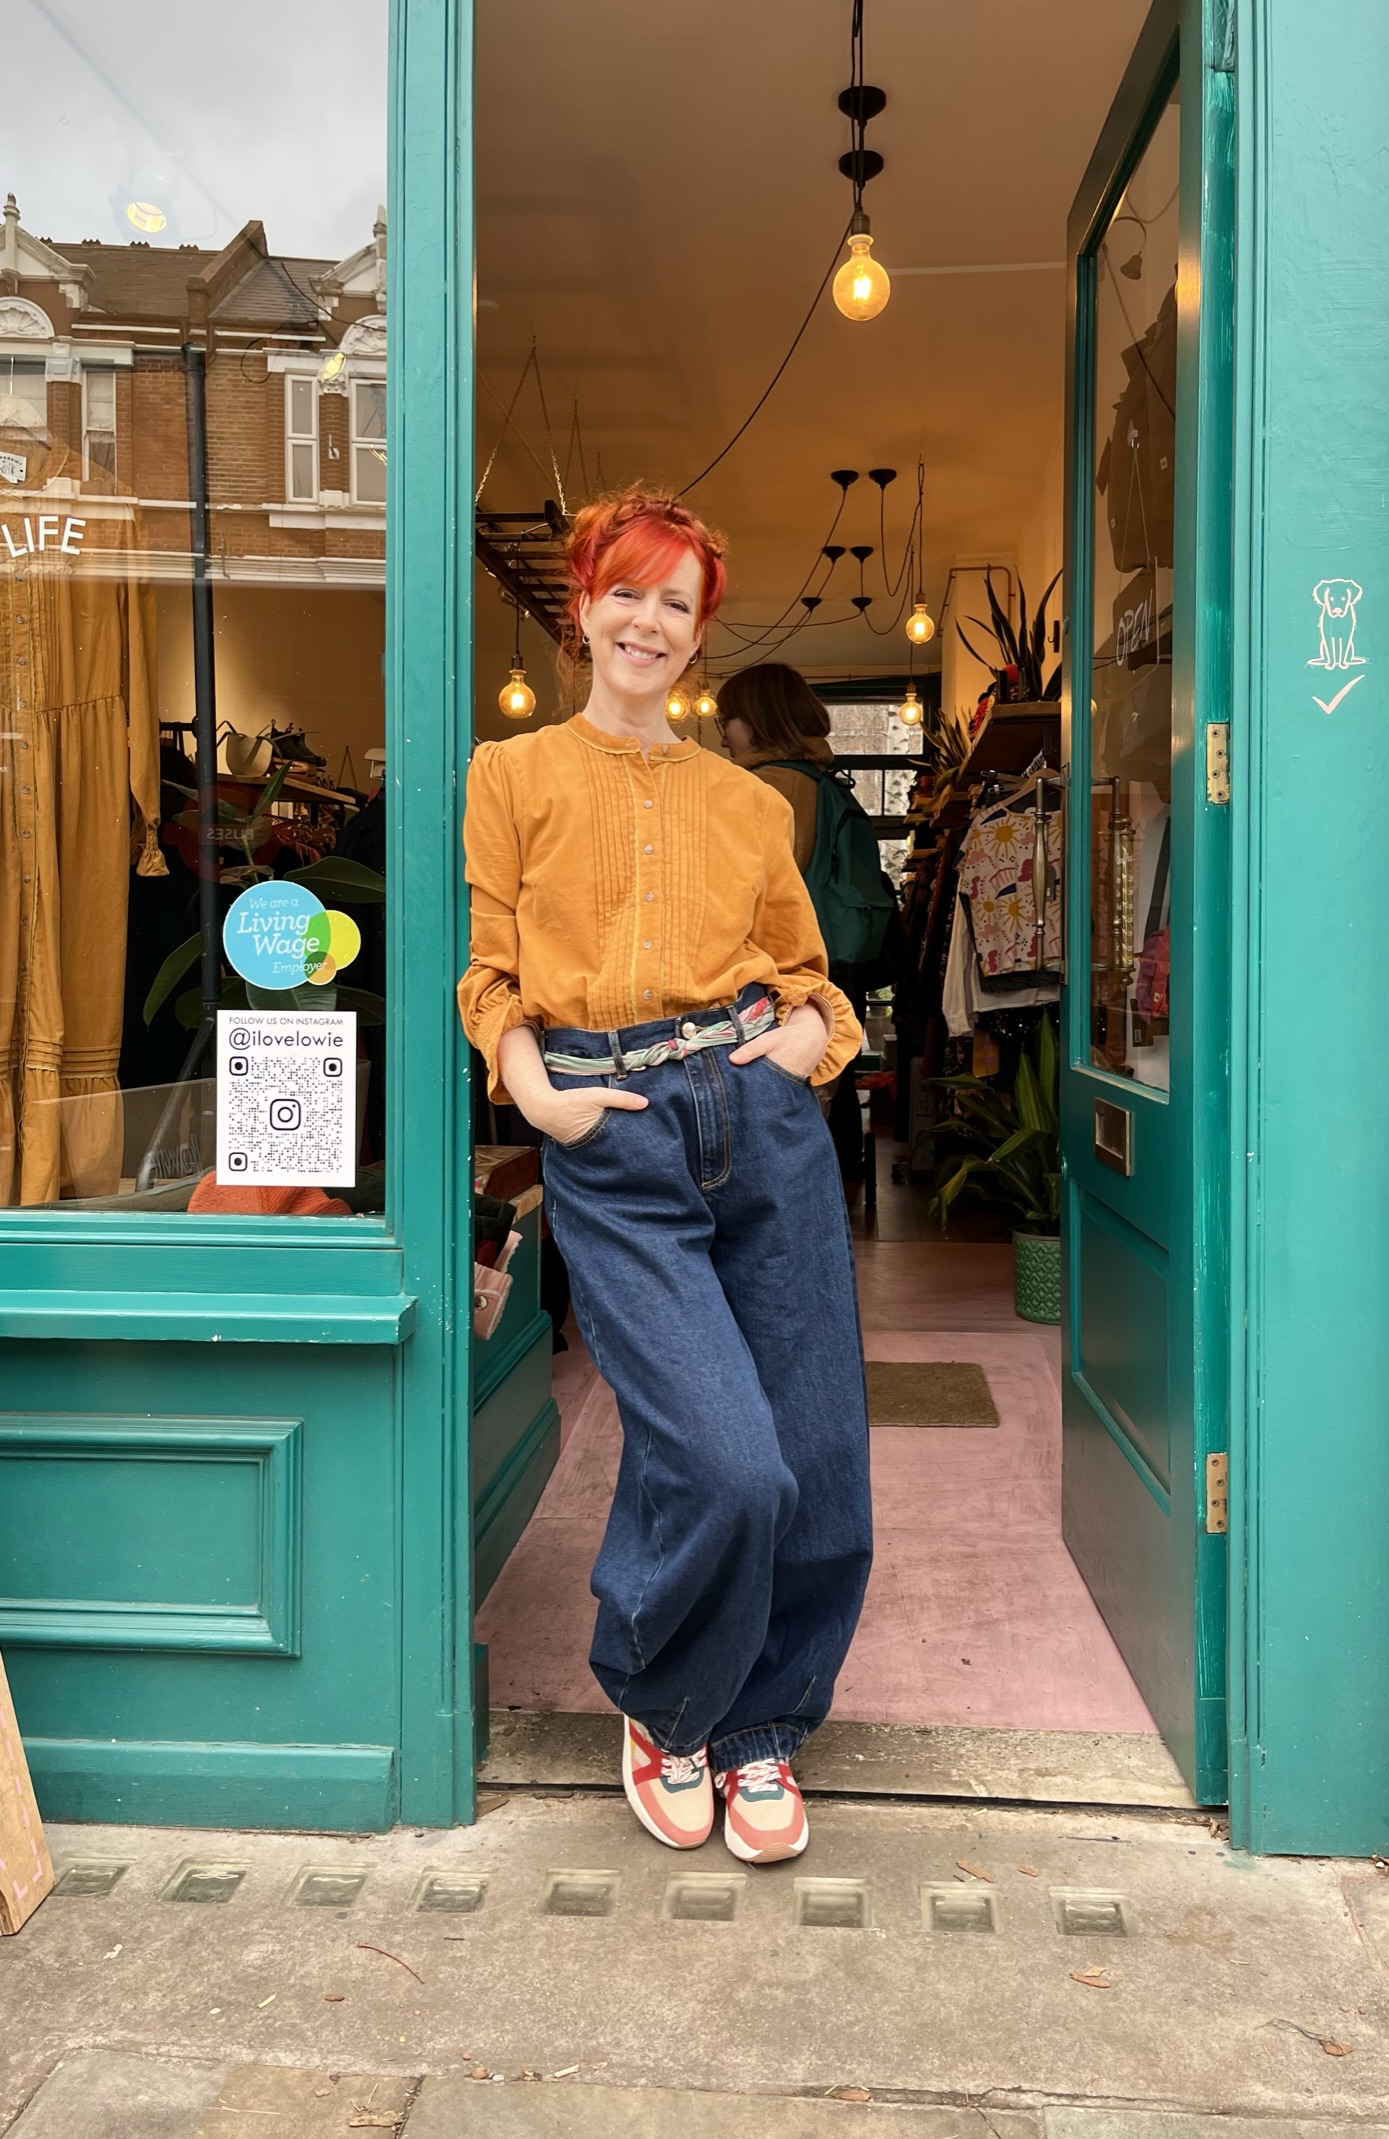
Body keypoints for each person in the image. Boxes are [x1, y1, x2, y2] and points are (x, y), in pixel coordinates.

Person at [457, 487, 872, 1865]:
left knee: (814, 1451)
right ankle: (666, 1699)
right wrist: (537, 1097)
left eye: (675, 602)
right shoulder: (510, 775)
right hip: (613, 1130)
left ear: (699, 633)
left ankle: (762, 1724)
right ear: (582, 606)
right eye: (625, 591)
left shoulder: (749, 804)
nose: (647, 620)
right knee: (723, 1457)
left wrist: (797, 1047)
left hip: (757, 1117)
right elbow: (490, 967)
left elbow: (805, 973)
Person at [716, 662, 891, 1182]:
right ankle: (834, 1194)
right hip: (835, 959)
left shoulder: (771, 785)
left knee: (782, 1110)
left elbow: (744, 892)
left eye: (728, 719)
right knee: (827, 1086)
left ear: (758, 720)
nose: (722, 733)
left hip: (784, 971)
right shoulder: (822, 781)